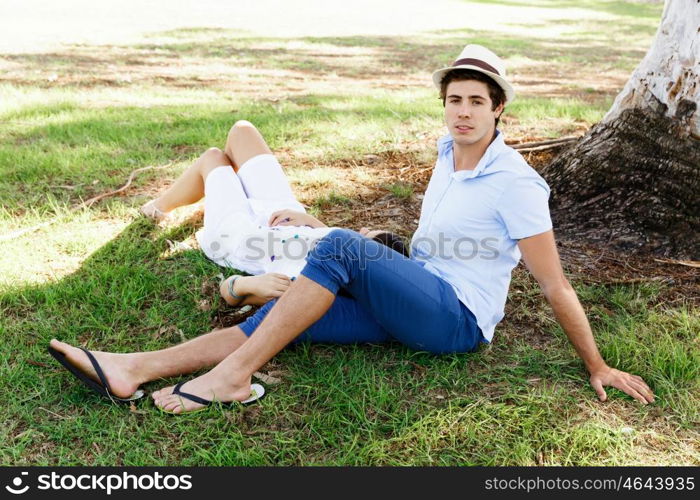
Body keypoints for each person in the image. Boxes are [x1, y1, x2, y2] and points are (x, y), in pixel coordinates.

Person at [49, 44, 655, 413]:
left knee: (339, 250)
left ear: (500, 108)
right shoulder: (448, 153)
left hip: (456, 320)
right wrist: (327, 230)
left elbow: (554, 285)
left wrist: (597, 366)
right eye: (454, 100)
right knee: (285, 322)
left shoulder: (518, 183)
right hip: (419, 286)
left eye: (476, 101)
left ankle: (230, 379)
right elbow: (432, 243)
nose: (463, 112)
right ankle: (135, 368)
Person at [139, 123, 408, 307]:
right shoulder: (341, 243)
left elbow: (230, 292)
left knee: (213, 159)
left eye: (362, 237)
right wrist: (313, 223)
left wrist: (248, 285)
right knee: (242, 131)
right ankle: (225, 191)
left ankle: (159, 207)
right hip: (288, 217)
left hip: (239, 235)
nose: (357, 232)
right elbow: (331, 242)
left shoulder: (307, 279)